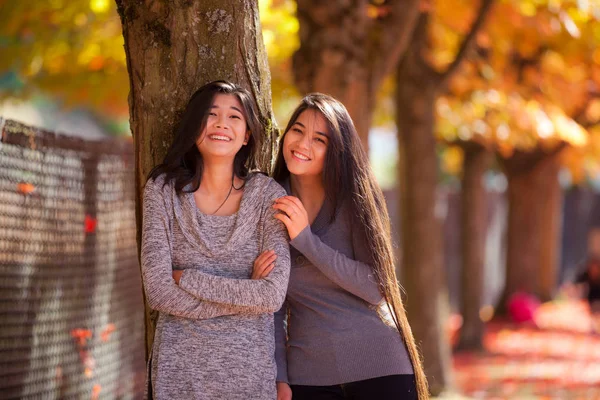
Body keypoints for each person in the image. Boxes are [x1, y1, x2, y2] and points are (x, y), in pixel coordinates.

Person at [252, 93, 428, 399]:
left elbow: (376, 287)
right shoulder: (269, 204)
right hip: (308, 375)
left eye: (319, 139)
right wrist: (279, 377)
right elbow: (274, 310)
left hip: (379, 367)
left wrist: (306, 240)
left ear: (335, 151)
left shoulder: (354, 200)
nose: (303, 144)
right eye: (298, 130)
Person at [141, 80, 290, 399]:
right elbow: (158, 293)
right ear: (195, 125)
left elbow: (271, 296)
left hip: (249, 376)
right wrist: (245, 295)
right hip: (179, 375)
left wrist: (188, 279)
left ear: (247, 134)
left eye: (235, 116)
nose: (222, 123)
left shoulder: (267, 197)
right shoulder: (163, 191)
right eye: (211, 114)